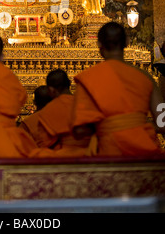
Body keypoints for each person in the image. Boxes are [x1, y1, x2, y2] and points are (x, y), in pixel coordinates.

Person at [71, 21, 165, 157]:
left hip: (109, 155)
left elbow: (79, 131)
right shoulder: (145, 77)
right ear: (126, 42)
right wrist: (137, 126)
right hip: (146, 154)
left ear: (99, 46)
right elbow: (163, 122)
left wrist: (108, 126)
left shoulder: (88, 78)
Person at [29, 69, 91, 158]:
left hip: (64, 157)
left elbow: (45, 142)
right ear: (69, 84)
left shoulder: (48, 110)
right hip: (90, 153)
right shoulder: (85, 103)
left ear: (51, 90)